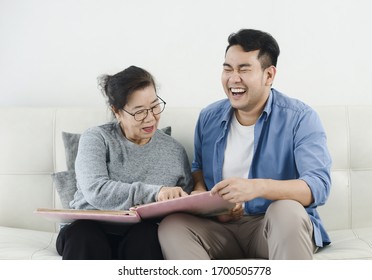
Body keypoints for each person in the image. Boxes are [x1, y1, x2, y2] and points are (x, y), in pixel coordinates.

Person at [158, 29, 332, 260]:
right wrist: (204, 199)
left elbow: (318, 186)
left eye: (244, 69)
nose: (233, 78)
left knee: (286, 210)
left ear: (269, 75)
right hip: (222, 228)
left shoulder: (300, 118)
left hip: (271, 228)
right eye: (228, 69)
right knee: (173, 226)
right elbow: (198, 168)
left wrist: (257, 188)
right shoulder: (208, 117)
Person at [56, 65, 193, 260]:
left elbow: (183, 205)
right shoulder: (96, 138)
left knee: (148, 236)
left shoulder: (175, 151)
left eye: (155, 106)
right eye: (139, 112)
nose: (151, 118)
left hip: (139, 233)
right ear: (117, 111)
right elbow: (96, 190)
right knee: (85, 234)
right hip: (87, 229)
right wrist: (156, 193)